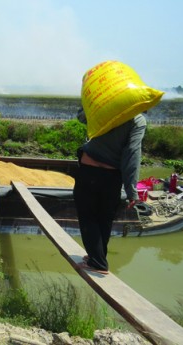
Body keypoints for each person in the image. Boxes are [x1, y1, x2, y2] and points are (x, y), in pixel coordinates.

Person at [73, 112, 146, 275]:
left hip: (89, 171)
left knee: (88, 216)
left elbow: (82, 117)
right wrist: (131, 191)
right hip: (113, 177)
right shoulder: (138, 119)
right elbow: (133, 154)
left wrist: (89, 97)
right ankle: (97, 257)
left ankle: (98, 263)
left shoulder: (105, 108)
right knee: (104, 219)